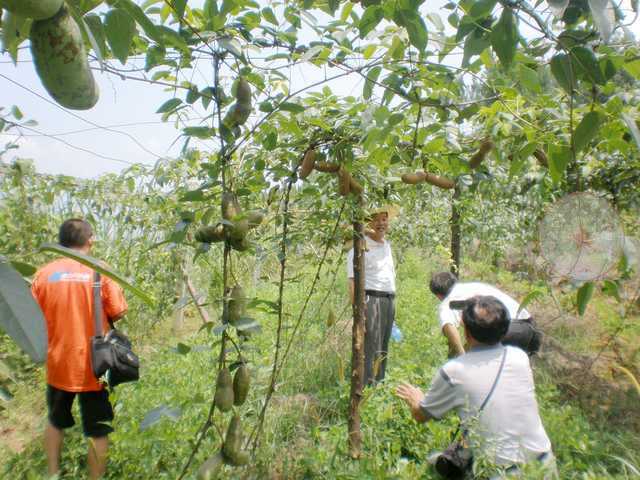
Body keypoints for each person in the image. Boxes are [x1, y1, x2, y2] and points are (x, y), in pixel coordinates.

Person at [396, 296, 555, 478]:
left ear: (467, 332)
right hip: (544, 465)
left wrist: (415, 398)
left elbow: (421, 415)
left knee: (436, 463)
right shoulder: (519, 357)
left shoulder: (455, 371)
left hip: (501, 473)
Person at [31, 219, 128, 480]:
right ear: (90, 240)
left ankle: (53, 473)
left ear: (61, 241)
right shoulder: (100, 271)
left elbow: (30, 318)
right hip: (95, 366)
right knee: (98, 430)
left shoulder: (44, 274)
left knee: (55, 420)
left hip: (58, 363)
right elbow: (119, 310)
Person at [429, 272, 541, 358]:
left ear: (438, 295)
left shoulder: (448, 302)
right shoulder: (474, 286)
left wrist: (462, 358)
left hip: (506, 330)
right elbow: (477, 333)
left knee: (481, 373)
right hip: (530, 330)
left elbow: (449, 326)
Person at [347, 207, 397, 385]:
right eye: (376, 220)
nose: (381, 223)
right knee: (370, 346)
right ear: (368, 223)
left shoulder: (387, 245)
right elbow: (352, 282)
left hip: (388, 299)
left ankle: (379, 383)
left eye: (384, 219)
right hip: (371, 299)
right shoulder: (360, 248)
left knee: (383, 344)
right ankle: (368, 385)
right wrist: (358, 313)